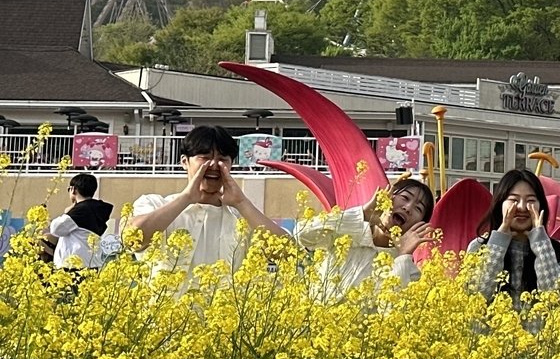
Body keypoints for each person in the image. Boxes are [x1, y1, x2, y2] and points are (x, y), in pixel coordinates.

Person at [127, 125, 288, 281]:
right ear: (184, 161)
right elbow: (133, 238)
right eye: (205, 158)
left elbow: (288, 253)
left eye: (222, 159)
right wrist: (186, 198)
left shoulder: (242, 218)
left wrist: (241, 202)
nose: (213, 165)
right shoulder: (154, 204)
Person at [294, 178, 438, 298]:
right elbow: (302, 234)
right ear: (388, 197)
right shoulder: (347, 232)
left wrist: (403, 255)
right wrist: (363, 214)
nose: (408, 207)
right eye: (405, 198)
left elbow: (391, 314)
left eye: (418, 208)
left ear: (419, 225)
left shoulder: (410, 272)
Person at [467, 169, 560, 307]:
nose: (522, 207)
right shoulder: (479, 247)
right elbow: (477, 297)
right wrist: (499, 241)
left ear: (542, 206)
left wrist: (540, 243)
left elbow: (556, 300)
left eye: (531, 200)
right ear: (500, 205)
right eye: (514, 200)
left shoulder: (557, 251)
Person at [46, 172, 117, 269]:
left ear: (73, 189)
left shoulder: (82, 210)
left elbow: (55, 228)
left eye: (69, 189)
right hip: (90, 264)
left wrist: (67, 212)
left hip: (74, 268)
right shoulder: (95, 209)